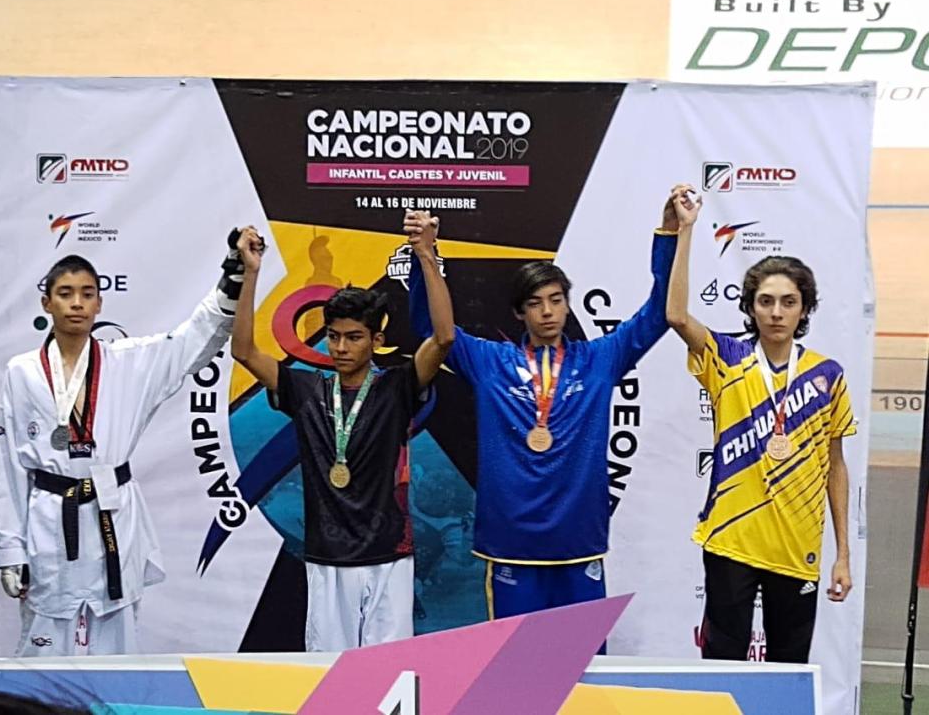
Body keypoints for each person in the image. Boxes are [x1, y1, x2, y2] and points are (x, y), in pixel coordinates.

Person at [409, 186, 689, 619]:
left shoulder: (600, 360)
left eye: (556, 300)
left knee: (583, 655)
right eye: (535, 303)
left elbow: (658, 314)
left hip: (578, 541)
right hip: (511, 543)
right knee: (516, 657)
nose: (547, 312)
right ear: (519, 313)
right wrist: (423, 256)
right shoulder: (490, 362)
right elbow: (432, 328)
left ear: (567, 306)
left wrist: (669, 234)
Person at [0, 229, 258, 656]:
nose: (77, 303)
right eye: (65, 294)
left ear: (99, 304)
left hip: (112, 514)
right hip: (49, 519)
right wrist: (10, 548)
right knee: (43, 643)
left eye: (87, 294)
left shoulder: (130, 362)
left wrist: (234, 273)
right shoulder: (22, 372)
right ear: (46, 303)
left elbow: (191, 340)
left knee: (117, 643)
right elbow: (8, 467)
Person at [231, 211, 454, 651]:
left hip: (390, 555)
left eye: (353, 337)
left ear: (376, 340)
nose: (340, 347)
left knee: (389, 669)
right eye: (333, 336)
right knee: (330, 674)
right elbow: (243, 350)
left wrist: (427, 255)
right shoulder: (304, 389)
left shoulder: (397, 387)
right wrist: (251, 273)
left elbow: (444, 338)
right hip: (327, 557)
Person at [666, 188, 856, 664]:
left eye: (788, 302)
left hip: (797, 546)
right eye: (766, 301)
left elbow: (835, 466)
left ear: (804, 309)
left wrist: (843, 554)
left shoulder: (827, 375)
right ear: (750, 307)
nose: (776, 312)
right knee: (722, 669)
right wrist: (686, 231)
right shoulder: (727, 358)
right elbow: (675, 316)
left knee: (789, 672)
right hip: (731, 540)